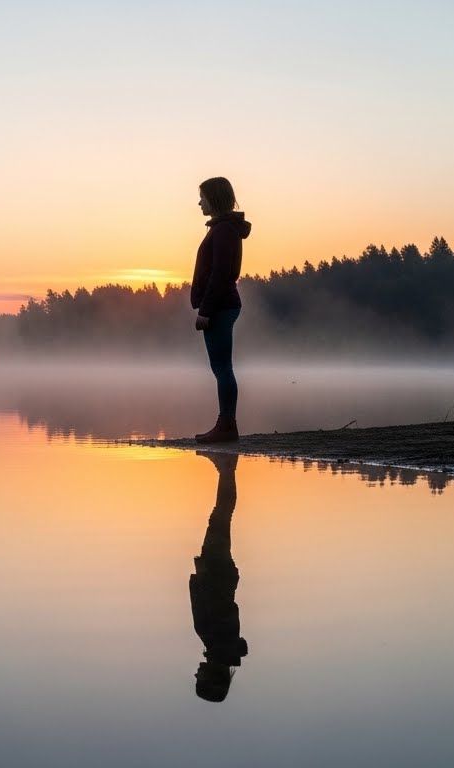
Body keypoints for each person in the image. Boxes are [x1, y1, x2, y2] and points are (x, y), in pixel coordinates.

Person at [191, 177, 251, 443]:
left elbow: (221, 274)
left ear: (213, 198)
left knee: (222, 367)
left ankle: (226, 426)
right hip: (222, 305)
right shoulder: (221, 228)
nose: (199, 202)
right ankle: (226, 424)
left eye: (202, 196)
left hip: (220, 306)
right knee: (221, 367)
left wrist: (205, 310)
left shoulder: (224, 230)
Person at [190, 450, 247, 702]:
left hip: (218, 572)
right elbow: (220, 605)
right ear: (212, 675)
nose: (195, 673)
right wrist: (205, 575)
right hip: (216, 570)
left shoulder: (220, 644)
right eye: (200, 678)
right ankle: (227, 468)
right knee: (221, 516)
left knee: (220, 517)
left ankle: (226, 470)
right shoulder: (216, 640)